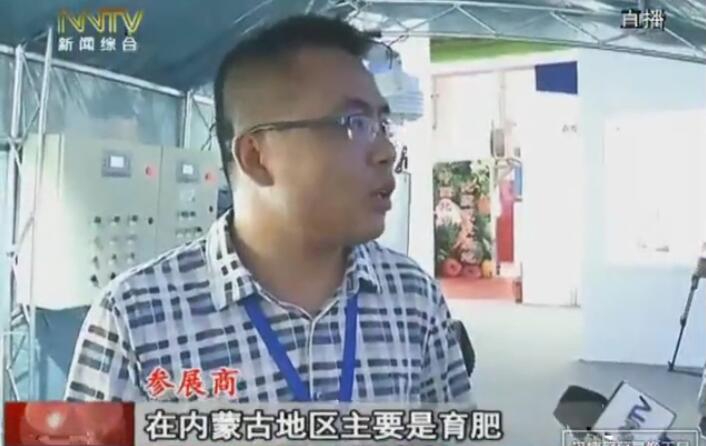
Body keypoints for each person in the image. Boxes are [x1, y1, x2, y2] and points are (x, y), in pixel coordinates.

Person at [64, 14, 473, 404]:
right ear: (256, 157)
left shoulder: (413, 298)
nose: (386, 152)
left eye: (383, 125)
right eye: (354, 123)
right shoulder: (134, 319)